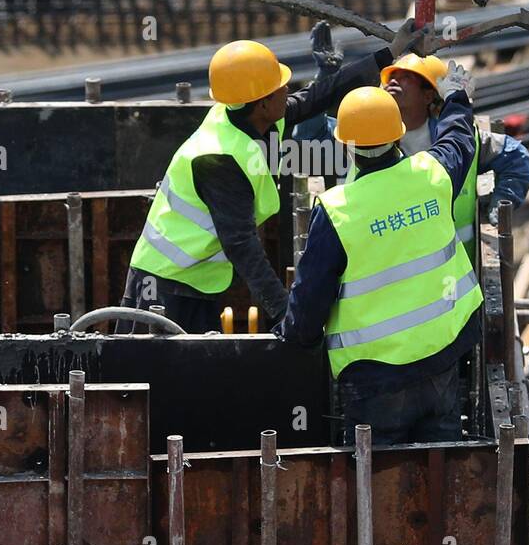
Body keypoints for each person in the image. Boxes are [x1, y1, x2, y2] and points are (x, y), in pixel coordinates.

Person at [120, 21, 426, 333]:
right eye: (280, 87)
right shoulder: (218, 159)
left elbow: (318, 95)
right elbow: (243, 246)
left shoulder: (248, 115)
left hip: (196, 281)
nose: (288, 90)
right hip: (163, 287)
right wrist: (288, 315)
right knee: (154, 376)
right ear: (262, 102)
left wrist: (390, 53)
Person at [277, 66, 484, 445]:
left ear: (345, 144)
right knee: (441, 463)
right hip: (441, 355)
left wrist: (294, 340)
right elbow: (458, 140)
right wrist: (456, 97)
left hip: (376, 379)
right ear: (398, 135)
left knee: (380, 483)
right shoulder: (432, 175)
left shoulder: (338, 210)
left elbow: (310, 297)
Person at [381, 53, 529, 250]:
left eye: (405, 77)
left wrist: (503, 199)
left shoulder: (464, 140)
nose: (393, 81)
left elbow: (516, 158)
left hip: (458, 266)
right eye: (391, 77)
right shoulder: (375, 145)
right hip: (406, 267)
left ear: (428, 96)